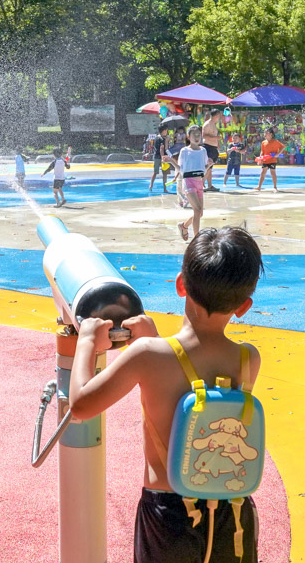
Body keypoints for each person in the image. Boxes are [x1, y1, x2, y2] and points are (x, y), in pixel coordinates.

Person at [68, 226, 263, 563]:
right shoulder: (248, 359)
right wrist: (155, 338)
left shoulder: (147, 355)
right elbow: (193, 388)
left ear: (180, 285)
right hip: (233, 511)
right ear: (244, 306)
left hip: (169, 515)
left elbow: (82, 405)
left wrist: (86, 341)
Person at [176, 126, 208, 241]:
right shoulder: (185, 151)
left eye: (198, 135)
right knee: (197, 209)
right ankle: (196, 239)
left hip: (199, 181)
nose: (196, 137)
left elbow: (203, 169)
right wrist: (171, 161)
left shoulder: (203, 151)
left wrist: (209, 165)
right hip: (188, 181)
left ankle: (183, 226)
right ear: (188, 137)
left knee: (199, 213)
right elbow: (181, 169)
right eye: (194, 135)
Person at [253, 127, 282, 193]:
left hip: (272, 160)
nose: (265, 134)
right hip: (265, 160)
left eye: (266, 133)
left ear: (271, 134)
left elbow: (283, 147)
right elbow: (262, 152)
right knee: (262, 173)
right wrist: (260, 159)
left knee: (273, 173)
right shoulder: (263, 142)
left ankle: (275, 187)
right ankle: (259, 187)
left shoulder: (275, 142)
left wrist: (278, 154)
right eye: (264, 133)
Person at [201, 109, 221, 191]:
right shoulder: (207, 124)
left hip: (213, 146)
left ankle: (209, 185)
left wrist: (217, 143)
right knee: (208, 167)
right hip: (208, 147)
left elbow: (214, 135)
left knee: (210, 168)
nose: (219, 117)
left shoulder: (213, 124)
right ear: (215, 116)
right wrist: (215, 138)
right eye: (218, 116)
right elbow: (204, 136)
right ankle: (201, 183)